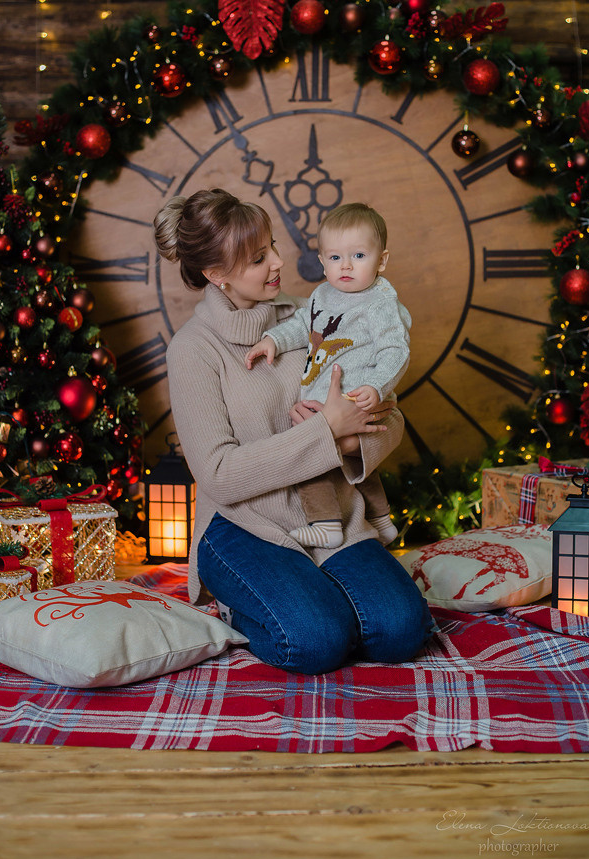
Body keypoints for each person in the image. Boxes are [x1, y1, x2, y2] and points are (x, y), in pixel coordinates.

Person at [154, 187, 431, 675]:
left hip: (331, 515)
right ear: (216, 275)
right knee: (316, 641)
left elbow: (392, 414)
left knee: (402, 630)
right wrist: (326, 434)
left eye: (273, 247)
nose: (280, 262)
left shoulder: (318, 314)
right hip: (244, 525)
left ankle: (308, 591)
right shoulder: (193, 350)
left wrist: (351, 441)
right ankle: (240, 601)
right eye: (260, 258)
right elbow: (219, 474)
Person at [245, 203, 410, 550]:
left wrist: (376, 388)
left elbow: (396, 350)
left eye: (359, 255)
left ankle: (325, 523)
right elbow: (304, 325)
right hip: (328, 398)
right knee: (349, 457)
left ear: (381, 261)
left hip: (358, 396)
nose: (346, 266)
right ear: (321, 262)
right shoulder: (323, 294)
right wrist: (274, 339)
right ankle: (381, 518)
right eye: (335, 258)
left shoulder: (379, 302)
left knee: (308, 450)